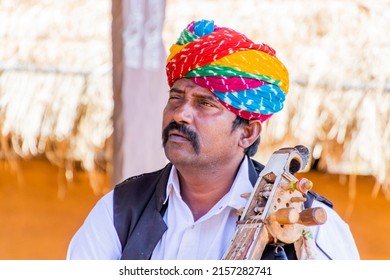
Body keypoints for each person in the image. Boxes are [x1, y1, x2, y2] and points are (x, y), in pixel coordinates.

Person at [67, 19, 359, 260]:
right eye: (175, 98)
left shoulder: (308, 220)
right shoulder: (121, 209)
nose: (180, 114)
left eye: (205, 104)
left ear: (247, 132)